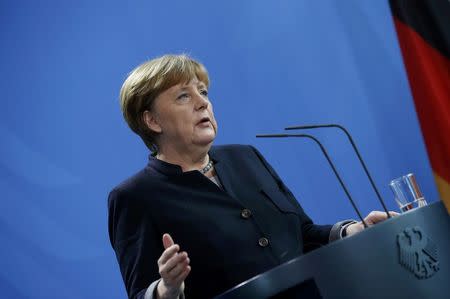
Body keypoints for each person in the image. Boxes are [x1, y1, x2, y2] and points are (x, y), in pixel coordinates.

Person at [108, 54, 395, 299]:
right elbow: (141, 293)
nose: (202, 103)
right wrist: (167, 289)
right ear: (152, 120)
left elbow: (303, 236)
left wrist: (351, 231)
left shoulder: (245, 157)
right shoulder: (135, 197)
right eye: (184, 96)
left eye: (203, 92)